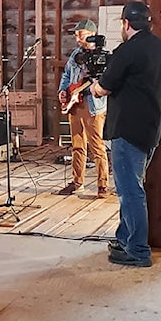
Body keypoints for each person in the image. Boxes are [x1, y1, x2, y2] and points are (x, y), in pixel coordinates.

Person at [91, 2, 161, 268]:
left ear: (126, 24)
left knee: (130, 192)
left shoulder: (127, 50)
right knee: (132, 187)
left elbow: (104, 88)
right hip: (151, 128)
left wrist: (94, 86)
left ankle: (138, 250)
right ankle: (124, 239)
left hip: (127, 129)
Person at [57, 19, 109, 198]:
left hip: (93, 104)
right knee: (77, 145)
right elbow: (66, 74)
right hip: (75, 103)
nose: (78, 39)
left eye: (81, 36)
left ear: (92, 35)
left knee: (97, 146)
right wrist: (62, 91)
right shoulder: (75, 54)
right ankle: (77, 181)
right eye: (76, 36)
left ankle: (102, 184)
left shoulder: (101, 56)